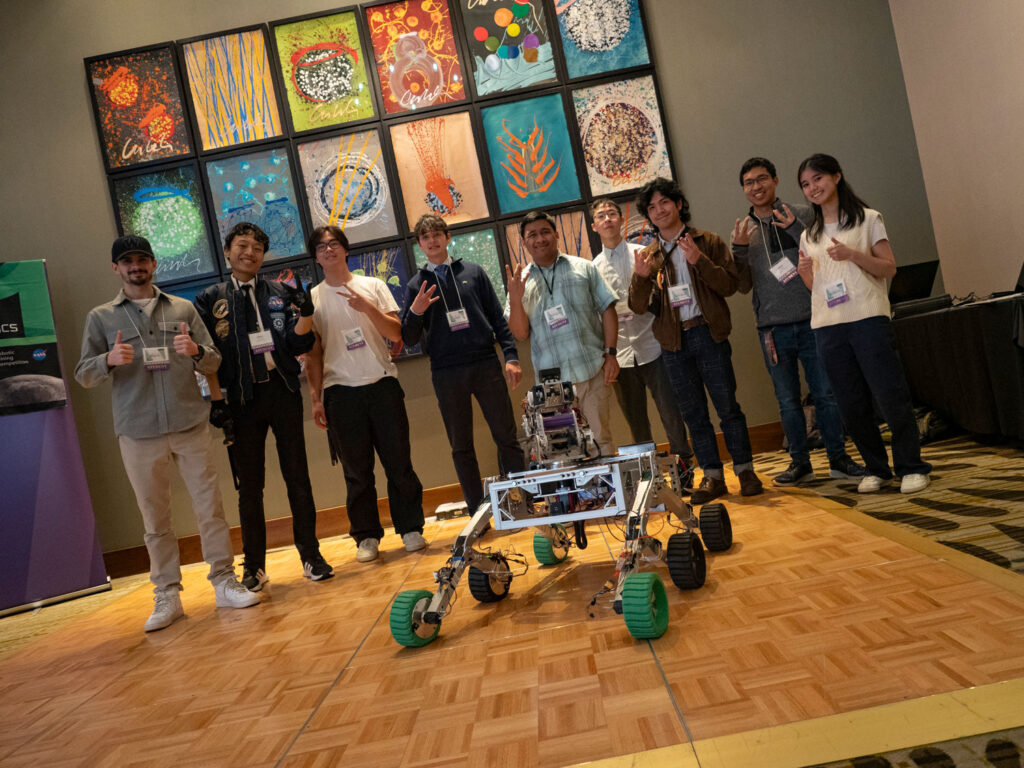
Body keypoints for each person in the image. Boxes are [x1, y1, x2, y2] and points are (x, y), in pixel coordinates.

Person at [75, 235, 259, 632]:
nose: (135, 267)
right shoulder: (101, 318)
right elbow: (83, 375)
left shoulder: (182, 308)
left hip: (188, 422)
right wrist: (107, 359)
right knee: (154, 518)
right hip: (138, 431)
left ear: (154, 264)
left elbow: (214, 359)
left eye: (142, 259)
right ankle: (167, 595)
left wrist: (194, 351)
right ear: (116, 269)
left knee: (210, 507)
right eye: (127, 262)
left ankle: (224, 582)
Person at [194, 222, 333, 592]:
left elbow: (297, 344)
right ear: (227, 251)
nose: (250, 252)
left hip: (282, 391)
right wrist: (217, 402)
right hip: (240, 401)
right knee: (249, 487)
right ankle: (254, 566)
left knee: (298, 478)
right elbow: (207, 357)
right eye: (242, 246)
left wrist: (305, 313)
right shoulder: (210, 300)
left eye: (257, 247)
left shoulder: (281, 293)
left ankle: (311, 556)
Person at [796, 153, 931, 493]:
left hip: (868, 318)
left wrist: (852, 254)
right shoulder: (808, 234)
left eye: (818, 179)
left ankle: (911, 466)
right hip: (827, 325)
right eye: (806, 184)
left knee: (889, 394)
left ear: (837, 176)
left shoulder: (868, 219)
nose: (812, 188)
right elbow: (819, 289)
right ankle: (877, 468)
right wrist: (806, 276)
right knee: (850, 402)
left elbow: (889, 268)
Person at [629, 177, 764, 504]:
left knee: (728, 407)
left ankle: (745, 470)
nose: (659, 210)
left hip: (708, 332)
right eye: (652, 207)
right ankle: (713, 476)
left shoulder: (708, 241)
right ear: (648, 215)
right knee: (693, 413)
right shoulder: (649, 255)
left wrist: (698, 261)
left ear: (678, 205)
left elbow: (730, 286)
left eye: (665, 202)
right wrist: (640, 277)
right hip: (674, 343)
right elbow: (636, 306)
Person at [732, 158, 866, 485]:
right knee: (787, 400)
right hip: (772, 329)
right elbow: (743, 285)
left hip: (813, 318)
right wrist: (737, 251)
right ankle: (800, 463)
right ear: (744, 189)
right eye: (749, 182)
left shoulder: (804, 215)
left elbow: (822, 255)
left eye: (762, 179)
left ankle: (839, 458)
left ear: (776, 180)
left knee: (826, 393)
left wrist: (794, 227)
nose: (756, 186)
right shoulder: (743, 231)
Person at [304, 225, 427, 562]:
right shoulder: (312, 298)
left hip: (382, 384)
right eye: (320, 247)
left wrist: (366, 307)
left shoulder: (372, 285)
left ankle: (411, 527)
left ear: (345, 249)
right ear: (315, 256)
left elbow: (395, 333)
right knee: (356, 472)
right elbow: (313, 354)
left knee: (399, 462)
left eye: (333, 244)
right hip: (339, 392)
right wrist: (315, 398)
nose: (328, 250)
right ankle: (366, 536)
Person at [401, 214, 526, 514]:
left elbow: (497, 317)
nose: (432, 240)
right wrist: (416, 312)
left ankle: (522, 500)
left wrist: (511, 356)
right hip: (446, 371)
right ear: (419, 244)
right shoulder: (416, 285)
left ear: (447, 237)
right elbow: (409, 338)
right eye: (425, 236)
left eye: (436, 234)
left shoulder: (473, 271)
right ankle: (476, 510)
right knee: (460, 446)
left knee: (506, 436)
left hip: (485, 362)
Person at [589, 198, 696, 488]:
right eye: (602, 215)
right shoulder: (592, 268)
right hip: (621, 354)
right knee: (637, 423)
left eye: (612, 213)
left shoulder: (645, 253)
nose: (608, 218)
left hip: (654, 344)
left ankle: (684, 475)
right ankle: (652, 482)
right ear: (595, 226)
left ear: (620, 221)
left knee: (671, 414)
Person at [505, 210, 619, 456]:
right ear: (524, 242)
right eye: (532, 235)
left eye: (545, 231)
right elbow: (520, 333)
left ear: (556, 234)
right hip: (552, 384)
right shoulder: (520, 281)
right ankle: (581, 496)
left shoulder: (584, 268)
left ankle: (611, 494)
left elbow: (608, 309)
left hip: (591, 370)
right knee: (564, 449)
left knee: (601, 440)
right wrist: (515, 298)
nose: (540, 238)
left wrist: (611, 354)